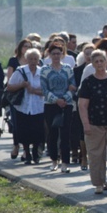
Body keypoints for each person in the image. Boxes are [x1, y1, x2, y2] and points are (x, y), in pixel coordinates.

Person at [78, 49, 107, 194]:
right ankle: (99, 183)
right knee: (96, 155)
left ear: (106, 62)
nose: (99, 64)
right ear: (92, 63)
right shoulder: (88, 82)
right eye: (96, 61)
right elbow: (82, 105)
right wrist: (86, 125)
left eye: (102, 60)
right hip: (94, 123)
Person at [40, 42, 76, 174]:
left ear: (62, 54)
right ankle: (54, 160)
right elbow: (44, 89)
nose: (56, 56)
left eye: (58, 53)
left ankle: (65, 162)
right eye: (53, 53)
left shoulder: (67, 69)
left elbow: (73, 86)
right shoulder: (44, 70)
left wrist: (65, 99)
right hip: (50, 105)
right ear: (49, 54)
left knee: (66, 134)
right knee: (52, 134)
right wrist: (57, 100)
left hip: (66, 105)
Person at [6, 48, 45, 165]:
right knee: (24, 131)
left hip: (38, 107)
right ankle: (27, 153)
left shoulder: (43, 72)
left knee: (38, 131)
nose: (33, 61)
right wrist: (22, 85)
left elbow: (47, 90)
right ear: (26, 59)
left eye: (35, 59)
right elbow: (9, 87)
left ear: (39, 60)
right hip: (23, 107)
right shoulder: (20, 71)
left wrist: (34, 91)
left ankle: (35, 153)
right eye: (31, 59)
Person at [6, 39, 32, 159]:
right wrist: (20, 84)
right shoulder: (14, 60)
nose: (27, 48)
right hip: (17, 96)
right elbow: (10, 79)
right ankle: (16, 145)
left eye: (29, 46)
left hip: (31, 96)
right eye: (25, 46)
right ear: (20, 48)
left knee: (28, 124)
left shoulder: (35, 61)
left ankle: (26, 150)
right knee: (17, 123)